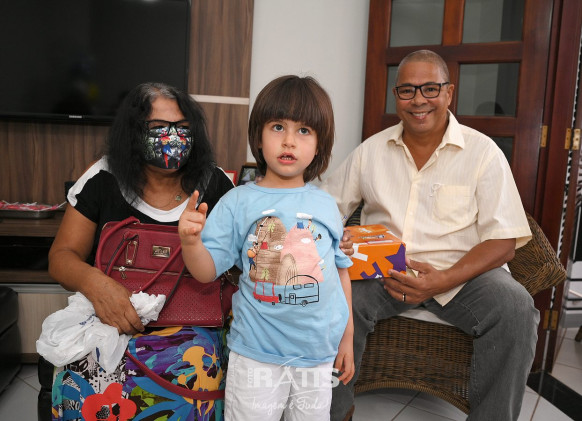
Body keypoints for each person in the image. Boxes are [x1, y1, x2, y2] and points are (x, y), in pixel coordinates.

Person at [321, 50, 539, 421]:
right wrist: (332, 232)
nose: (419, 99)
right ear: (396, 96)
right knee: (335, 299)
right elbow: (325, 207)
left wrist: (442, 280)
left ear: (449, 92)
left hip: (463, 276)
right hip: (384, 272)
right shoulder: (370, 151)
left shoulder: (483, 152)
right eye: (407, 90)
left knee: (516, 309)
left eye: (430, 88)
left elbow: (504, 242)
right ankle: (333, 413)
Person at [47, 82, 235, 421]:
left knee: (196, 368)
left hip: (195, 326)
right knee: (83, 372)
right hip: (110, 315)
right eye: (159, 127)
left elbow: (239, 265)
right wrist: (96, 284)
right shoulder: (102, 176)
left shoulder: (217, 184)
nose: (173, 137)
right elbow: (61, 257)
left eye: (182, 127)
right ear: (133, 132)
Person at [179, 75, 355, 420]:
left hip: (316, 356)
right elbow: (205, 271)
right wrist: (190, 241)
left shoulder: (326, 204)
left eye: (304, 130)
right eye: (277, 127)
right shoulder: (238, 201)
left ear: (319, 144)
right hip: (256, 355)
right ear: (258, 138)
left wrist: (346, 337)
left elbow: (340, 274)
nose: (289, 140)